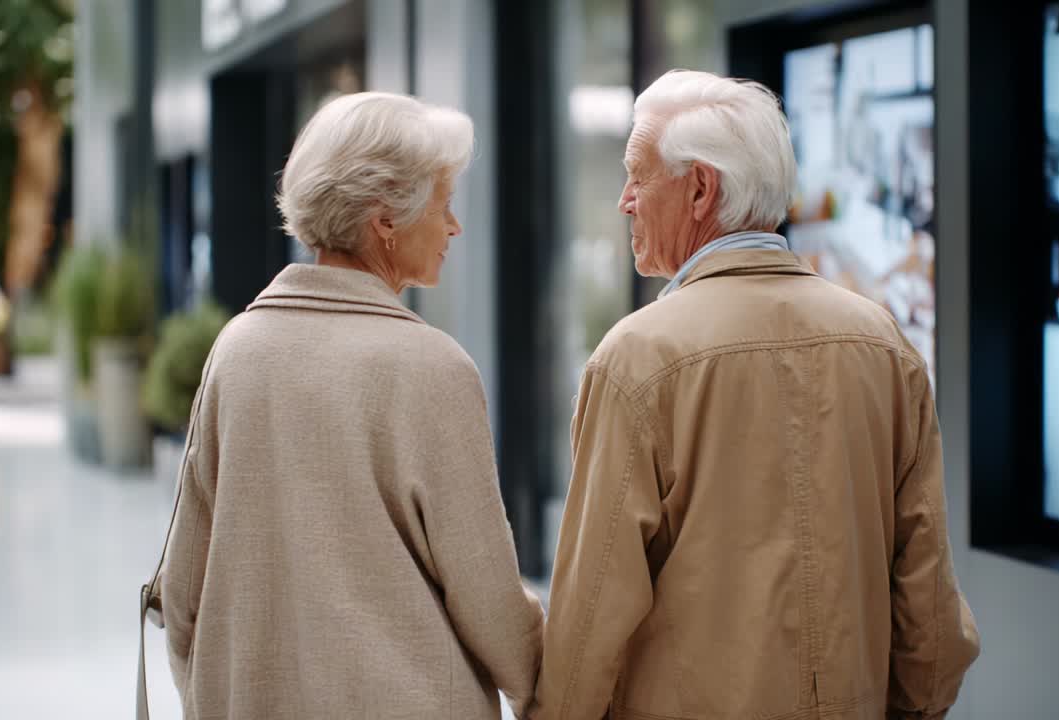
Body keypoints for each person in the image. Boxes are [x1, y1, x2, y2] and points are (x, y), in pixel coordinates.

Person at [531, 70, 979, 720]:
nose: (625, 199)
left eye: (638, 174)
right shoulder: (883, 346)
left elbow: (588, 621)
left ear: (700, 189)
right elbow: (931, 615)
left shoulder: (636, 361)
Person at [160, 92, 544, 718]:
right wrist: (549, 685)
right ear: (386, 217)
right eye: (445, 205)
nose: (455, 227)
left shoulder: (237, 350)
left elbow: (184, 587)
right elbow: (488, 599)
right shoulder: (433, 369)